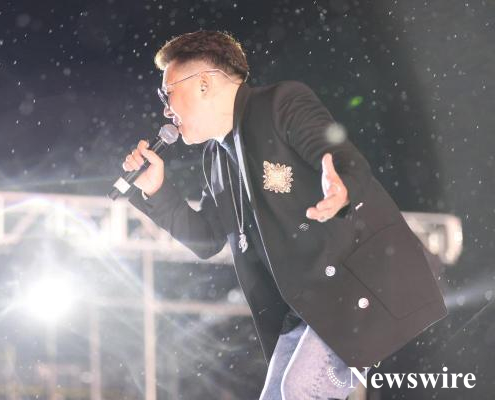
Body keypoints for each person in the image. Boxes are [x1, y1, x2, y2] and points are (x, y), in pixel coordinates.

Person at [121, 30, 448, 399]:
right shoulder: (215, 159)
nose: (166, 109)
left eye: (167, 93)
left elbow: (342, 160)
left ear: (204, 84)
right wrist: (156, 190)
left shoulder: (280, 103)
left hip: (358, 284)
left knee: (299, 389)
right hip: (308, 308)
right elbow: (207, 240)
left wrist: (341, 189)